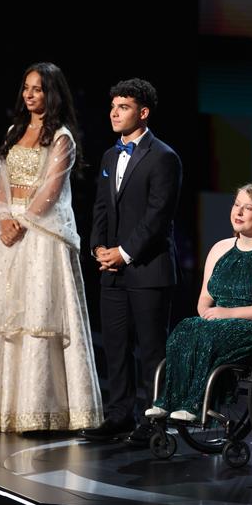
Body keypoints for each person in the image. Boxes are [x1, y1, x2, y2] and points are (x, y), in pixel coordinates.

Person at [0, 62, 103, 432]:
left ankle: (40, 409)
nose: (29, 94)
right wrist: (4, 217)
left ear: (51, 93)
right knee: (4, 317)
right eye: (26, 88)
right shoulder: (14, 131)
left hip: (42, 236)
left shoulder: (62, 138)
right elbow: (2, 182)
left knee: (39, 317)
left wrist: (21, 224)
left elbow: (51, 191)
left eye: (37, 89)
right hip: (10, 232)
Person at [80, 78, 182, 446]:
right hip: (112, 269)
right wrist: (97, 250)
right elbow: (102, 208)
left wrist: (123, 252)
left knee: (152, 349)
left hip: (147, 268)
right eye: (113, 106)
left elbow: (157, 216)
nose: (114, 113)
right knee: (116, 344)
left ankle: (153, 419)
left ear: (143, 113)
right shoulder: (110, 156)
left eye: (123, 107)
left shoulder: (164, 157)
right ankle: (119, 414)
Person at [145, 183, 252, 421]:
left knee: (209, 336)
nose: (238, 212)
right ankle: (168, 401)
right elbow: (205, 298)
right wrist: (206, 314)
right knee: (184, 330)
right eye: (236, 205)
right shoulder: (220, 248)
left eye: (247, 208)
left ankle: (195, 405)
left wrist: (227, 313)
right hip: (221, 320)